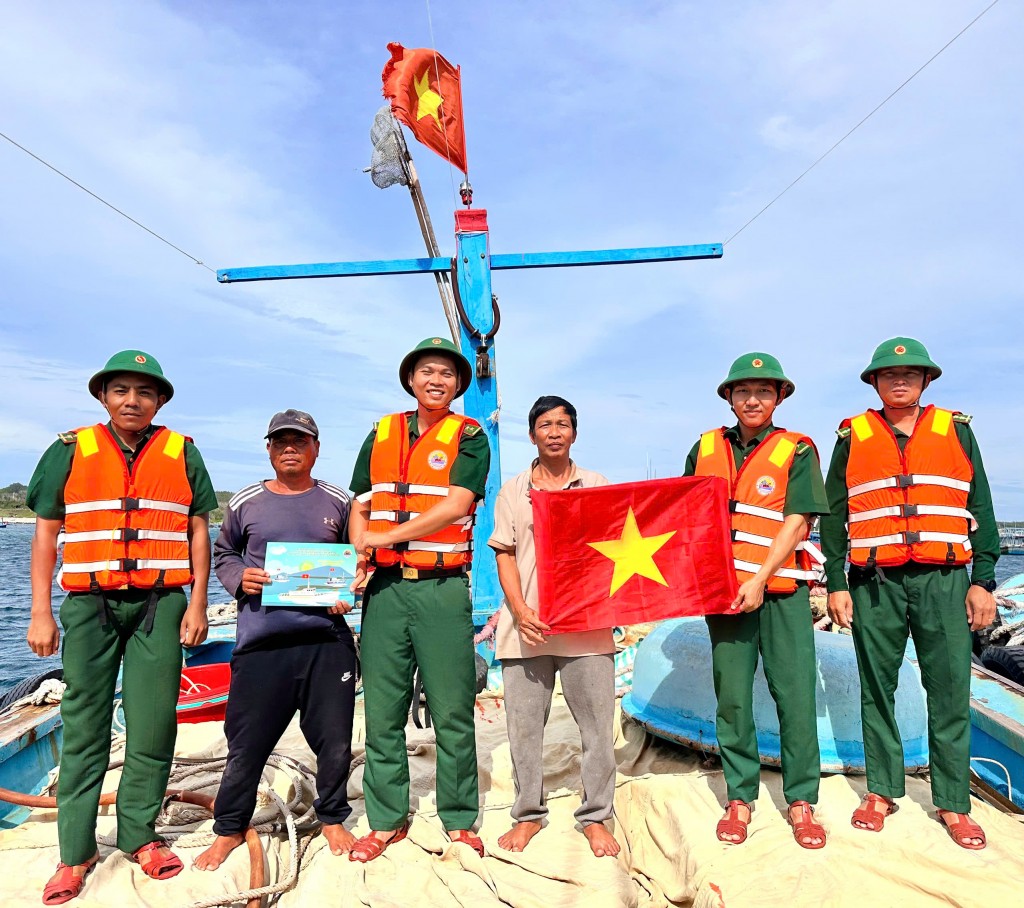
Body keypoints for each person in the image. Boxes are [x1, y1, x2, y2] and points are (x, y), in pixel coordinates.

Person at [26, 350, 217, 904]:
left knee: (154, 725)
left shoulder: (184, 452)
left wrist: (198, 603)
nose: (132, 401)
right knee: (84, 726)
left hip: (161, 603)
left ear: (159, 401)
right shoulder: (69, 451)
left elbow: (198, 531)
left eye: (144, 392)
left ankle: (140, 837)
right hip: (90, 607)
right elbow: (45, 535)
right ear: (104, 397)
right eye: (121, 390)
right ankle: (75, 853)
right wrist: (40, 611)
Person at [821, 337, 999, 850]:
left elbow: (981, 510)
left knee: (949, 690)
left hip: (944, 581)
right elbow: (834, 517)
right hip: (874, 582)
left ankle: (952, 802)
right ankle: (881, 791)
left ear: (925, 381)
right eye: (889, 374)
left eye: (911, 373)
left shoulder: (957, 431)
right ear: (874, 382)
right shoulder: (851, 436)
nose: (900, 380)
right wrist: (836, 582)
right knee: (876, 687)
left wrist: (983, 581)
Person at [194, 409, 358, 870]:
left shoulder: (338, 501)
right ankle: (228, 828)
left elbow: (354, 557)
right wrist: (236, 577)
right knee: (247, 742)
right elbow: (224, 551)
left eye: (300, 441)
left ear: (316, 449)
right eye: (281, 441)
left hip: (326, 641)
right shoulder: (245, 501)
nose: (290, 448)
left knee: (334, 739)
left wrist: (346, 589)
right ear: (268, 449)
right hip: (262, 643)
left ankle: (332, 817)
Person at [347, 337, 490, 862]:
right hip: (383, 592)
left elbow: (457, 504)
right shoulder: (381, 432)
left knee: (453, 708)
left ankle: (458, 816)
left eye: (447, 374)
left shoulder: (470, 435)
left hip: (441, 589)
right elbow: (359, 502)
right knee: (382, 709)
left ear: (457, 385)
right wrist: (360, 552)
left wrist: (382, 539)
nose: (437, 380)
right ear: (411, 379)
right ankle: (386, 819)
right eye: (427, 371)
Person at [684, 352, 829, 849]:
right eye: (743, 391)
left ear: (779, 397)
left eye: (764, 391)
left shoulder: (798, 449)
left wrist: (761, 578)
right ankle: (739, 797)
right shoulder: (703, 448)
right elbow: (680, 516)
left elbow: (799, 520)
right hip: (722, 595)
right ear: (728, 397)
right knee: (733, 698)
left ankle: (802, 799)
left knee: (794, 695)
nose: (753, 399)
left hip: (782, 592)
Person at [488, 396, 621, 858]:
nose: (554, 432)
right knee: (524, 730)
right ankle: (528, 815)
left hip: (586, 628)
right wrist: (520, 609)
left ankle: (596, 817)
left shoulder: (598, 485)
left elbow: (621, 545)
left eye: (563, 424)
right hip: (527, 628)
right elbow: (503, 552)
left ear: (574, 433)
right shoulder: (512, 491)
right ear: (532, 435)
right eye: (545, 424)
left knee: (598, 730)